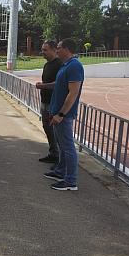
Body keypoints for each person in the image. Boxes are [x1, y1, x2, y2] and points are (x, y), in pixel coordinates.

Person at [44, 38, 85, 191]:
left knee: (68, 148)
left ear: (67, 49)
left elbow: (73, 93)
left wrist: (61, 114)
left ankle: (71, 181)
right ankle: (61, 172)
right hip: (56, 112)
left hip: (64, 116)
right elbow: (59, 85)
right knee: (62, 146)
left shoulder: (75, 66)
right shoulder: (66, 65)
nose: (57, 50)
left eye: (59, 47)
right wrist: (44, 86)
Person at [35, 41, 62, 164]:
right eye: (42, 50)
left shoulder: (59, 65)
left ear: (54, 50)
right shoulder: (47, 65)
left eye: (45, 50)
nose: (42, 53)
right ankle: (53, 153)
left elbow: (60, 84)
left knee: (56, 131)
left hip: (54, 103)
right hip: (44, 102)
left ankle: (60, 159)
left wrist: (43, 86)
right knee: (47, 128)